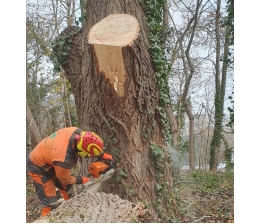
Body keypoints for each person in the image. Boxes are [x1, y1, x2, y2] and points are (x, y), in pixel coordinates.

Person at [26, 127, 113, 217]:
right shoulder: (65, 159)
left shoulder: (78, 133)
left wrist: (102, 154)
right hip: (38, 167)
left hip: (52, 158)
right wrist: (83, 180)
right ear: (81, 153)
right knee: (50, 203)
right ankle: (47, 218)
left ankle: (69, 209)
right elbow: (65, 179)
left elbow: (90, 143)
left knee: (68, 189)